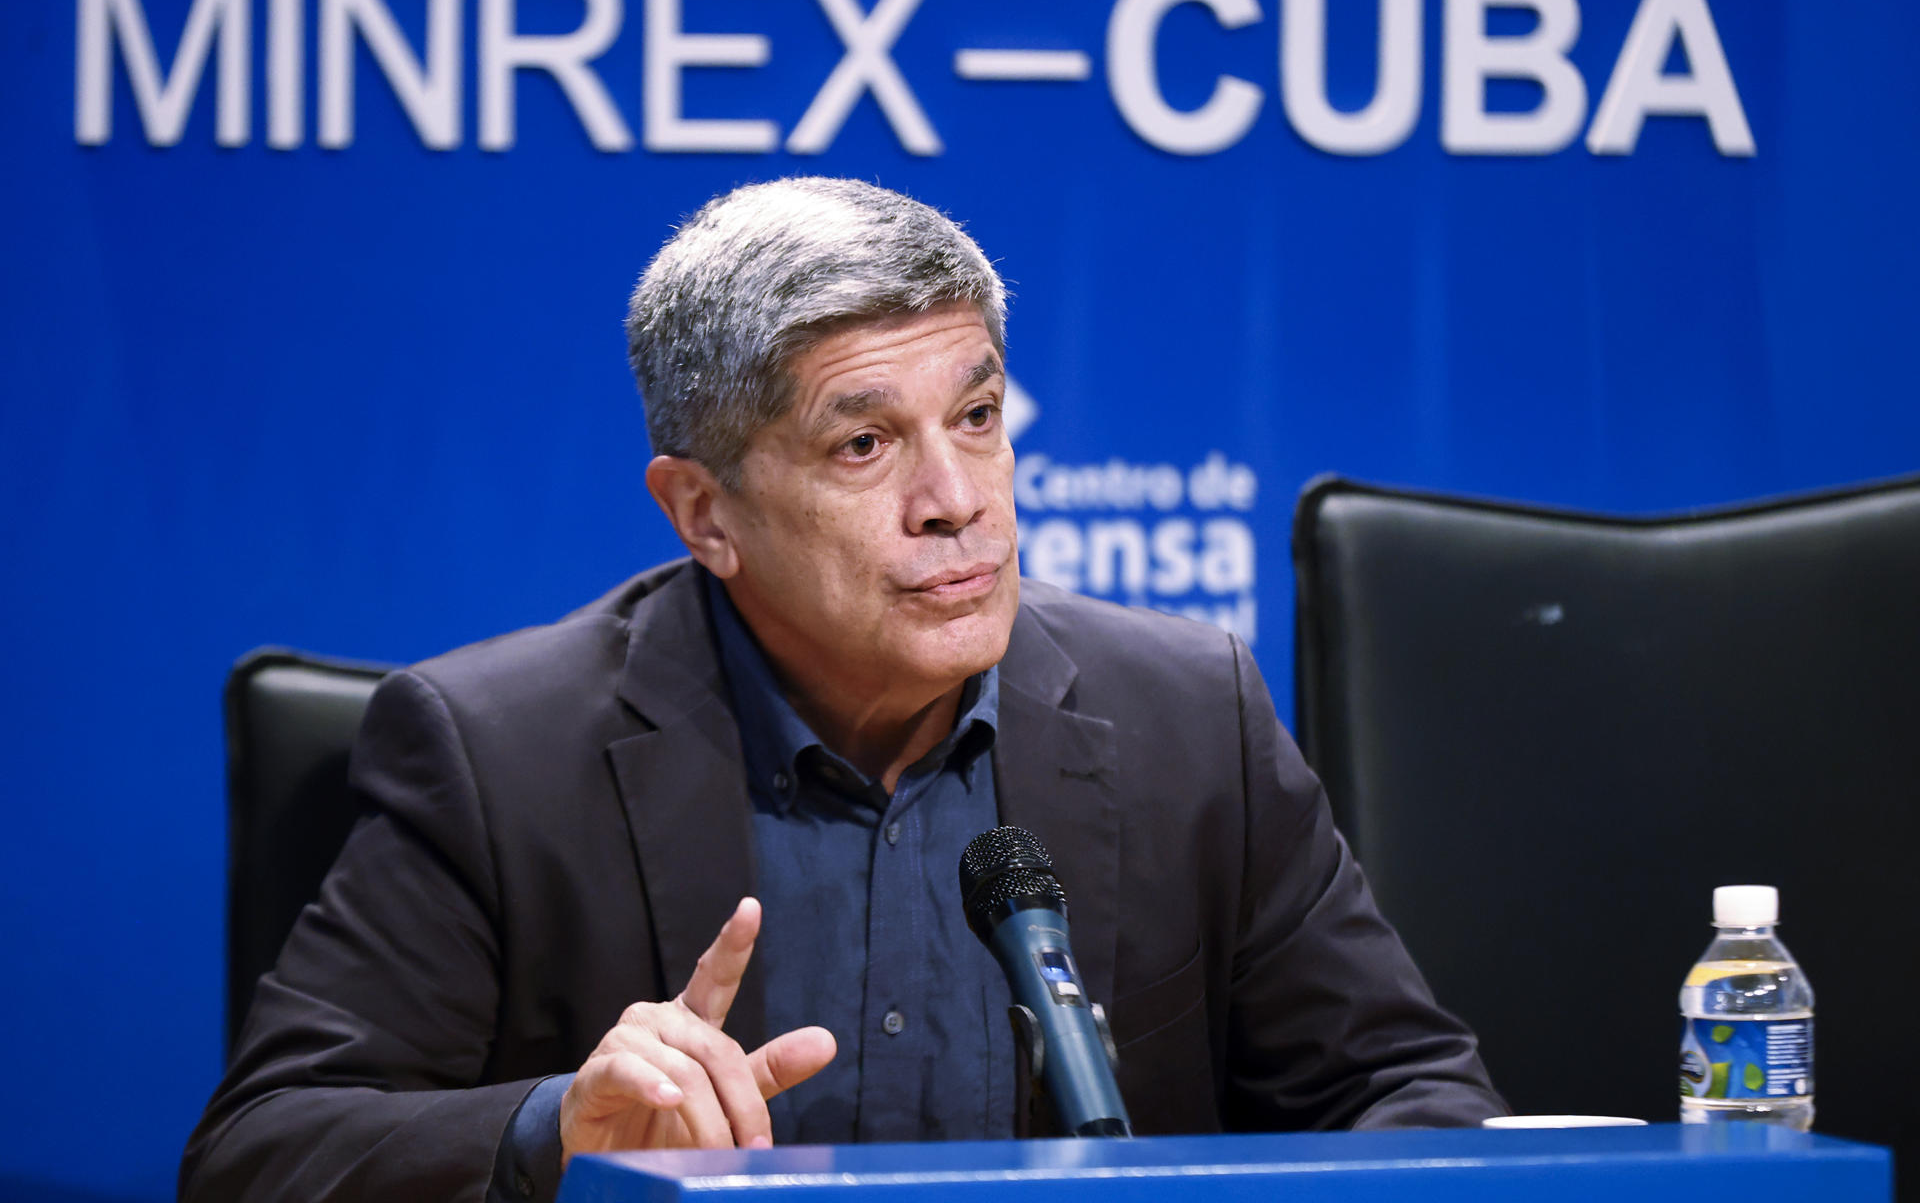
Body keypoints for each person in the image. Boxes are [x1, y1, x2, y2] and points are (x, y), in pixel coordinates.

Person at [181, 178, 1505, 1203]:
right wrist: (558, 1129)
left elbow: (1411, 1092)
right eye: (866, 442)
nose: (957, 501)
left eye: (979, 418)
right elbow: (260, 1153)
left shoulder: (1182, 717)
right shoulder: (500, 756)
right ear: (705, 513)